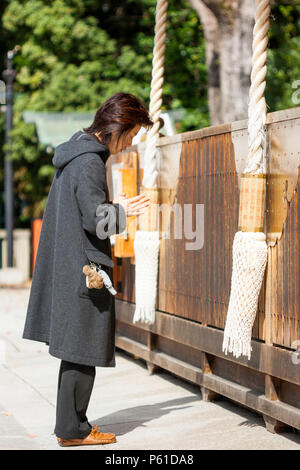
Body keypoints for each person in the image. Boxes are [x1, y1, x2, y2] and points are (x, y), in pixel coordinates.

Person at [22, 92, 153, 447]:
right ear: (117, 127)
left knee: (76, 350)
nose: (129, 144)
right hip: (86, 270)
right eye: (131, 135)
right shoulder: (89, 162)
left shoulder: (74, 154)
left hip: (71, 265)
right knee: (82, 350)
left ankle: (72, 427)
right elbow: (97, 220)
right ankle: (74, 431)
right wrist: (123, 210)